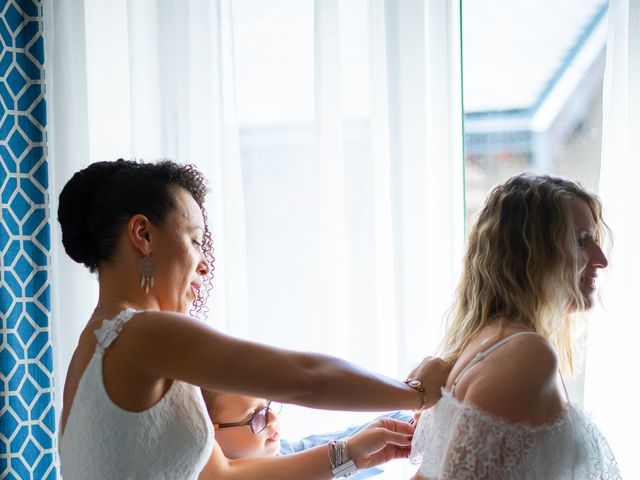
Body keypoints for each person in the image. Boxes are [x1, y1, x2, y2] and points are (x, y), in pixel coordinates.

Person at [56, 158, 451, 480]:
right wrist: (415, 392)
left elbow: (221, 476)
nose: (205, 265)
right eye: (194, 240)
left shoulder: (95, 348)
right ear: (142, 234)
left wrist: (352, 454)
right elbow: (306, 378)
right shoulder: (141, 333)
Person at [409, 173, 621, 479]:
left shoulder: (492, 341)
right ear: (531, 254)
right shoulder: (527, 355)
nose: (601, 259)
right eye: (581, 241)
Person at [201, 390, 413, 479]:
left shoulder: (287, 451)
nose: (273, 419)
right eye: (255, 416)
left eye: (268, 407)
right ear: (209, 433)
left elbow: (353, 440)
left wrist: (411, 424)